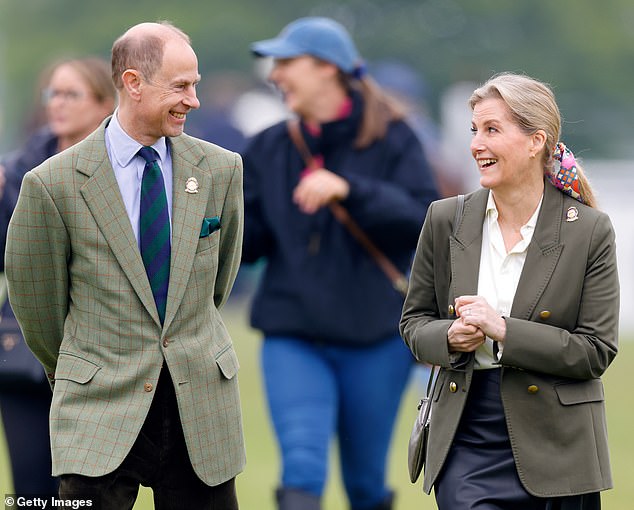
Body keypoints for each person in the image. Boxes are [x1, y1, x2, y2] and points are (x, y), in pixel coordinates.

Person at [5, 21, 245, 510]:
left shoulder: (221, 170)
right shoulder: (51, 184)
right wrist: (82, 370)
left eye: (195, 84)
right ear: (133, 83)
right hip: (98, 412)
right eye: (180, 86)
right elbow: (37, 306)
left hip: (200, 412)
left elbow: (216, 283)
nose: (193, 100)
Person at [243, 17, 439, 510]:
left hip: (376, 339)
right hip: (293, 336)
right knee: (302, 468)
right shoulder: (269, 146)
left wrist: (351, 190)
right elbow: (247, 243)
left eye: (287, 62)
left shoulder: (396, 138)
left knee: (365, 483)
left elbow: (424, 218)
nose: (275, 74)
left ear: (328, 69)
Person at [400, 72, 619, 510]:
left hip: (562, 448)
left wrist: (503, 330)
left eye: (492, 130)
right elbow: (413, 323)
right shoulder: (444, 219)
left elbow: (595, 351)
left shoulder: (590, 230)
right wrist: (447, 337)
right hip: (466, 438)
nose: (476, 144)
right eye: (474, 130)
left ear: (536, 141)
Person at [0, 56, 116, 496]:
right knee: (31, 495)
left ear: (107, 103)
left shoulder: (124, 171)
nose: (58, 104)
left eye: (72, 93)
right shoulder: (16, 172)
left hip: (100, 356)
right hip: (23, 354)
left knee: (84, 495)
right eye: (54, 93)